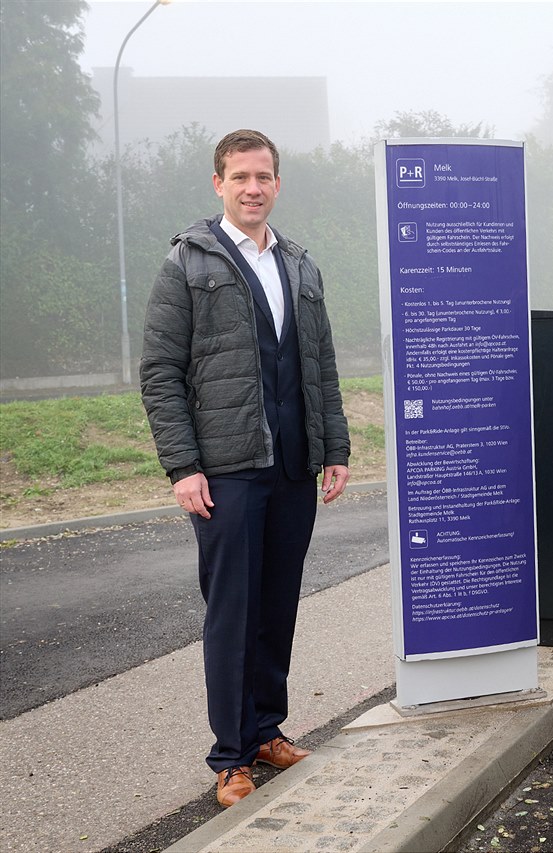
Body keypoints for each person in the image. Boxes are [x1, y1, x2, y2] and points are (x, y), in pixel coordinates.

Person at [140, 129, 351, 808]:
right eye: (240, 177)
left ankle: (266, 730)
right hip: (225, 469)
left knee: (277, 604)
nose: (253, 187)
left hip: (292, 465)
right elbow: (160, 373)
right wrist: (182, 465)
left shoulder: (299, 264)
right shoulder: (187, 264)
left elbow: (320, 365)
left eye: (263, 176)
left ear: (277, 184)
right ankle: (230, 756)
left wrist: (336, 448)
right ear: (218, 184)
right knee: (233, 611)